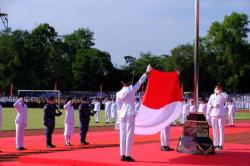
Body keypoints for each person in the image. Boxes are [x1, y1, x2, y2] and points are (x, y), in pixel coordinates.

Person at [116, 65, 151, 162]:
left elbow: (118, 106)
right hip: (130, 112)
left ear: (122, 83)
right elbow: (140, 81)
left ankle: (122, 155)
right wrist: (147, 71)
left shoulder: (118, 93)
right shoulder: (131, 89)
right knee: (129, 134)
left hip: (122, 113)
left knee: (122, 134)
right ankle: (128, 155)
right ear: (128, 82)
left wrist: (118, 118)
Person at [207, 84, 228, 150]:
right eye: (216, 88)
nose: (217, 89)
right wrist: (212, 106)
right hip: (213, 114)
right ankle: (215, 144)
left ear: (221, 88)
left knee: (221, 129)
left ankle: (220, 144)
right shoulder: (212, 95)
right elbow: (208, 104)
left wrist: (220, 93)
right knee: (214, 129)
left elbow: (226, 98)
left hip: (221, 114)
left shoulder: (223, 95)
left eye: (218, 88)